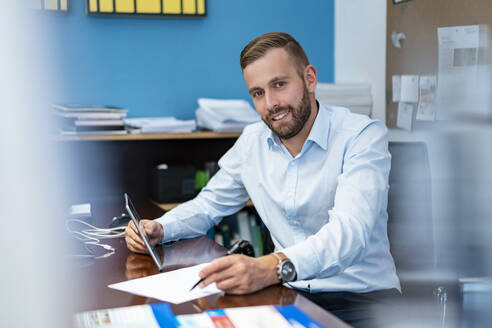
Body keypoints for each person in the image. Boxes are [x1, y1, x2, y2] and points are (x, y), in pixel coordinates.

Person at [125, 32, 400, 319]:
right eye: (258, 93)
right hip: (287, 292)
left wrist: (269, 267)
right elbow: (208, 205)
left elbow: (350, 234)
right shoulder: (252, 141)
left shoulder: (361, 136)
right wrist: (161, 228)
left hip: (363, 300)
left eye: (279, 85)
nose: (271, 104)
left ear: (309, 79)